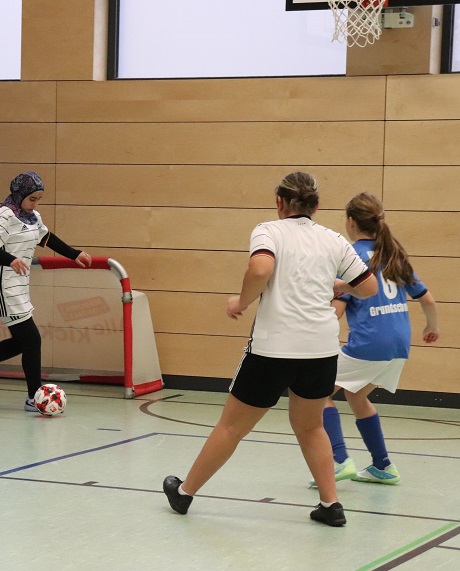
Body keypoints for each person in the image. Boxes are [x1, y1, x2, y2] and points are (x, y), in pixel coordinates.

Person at [161, 172, 378, 527]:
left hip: (273, 349)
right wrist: (340, 285)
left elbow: (261, 268)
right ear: (317, 206)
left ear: (279, 202)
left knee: (231, 427)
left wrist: (241, 301)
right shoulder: (334, 239)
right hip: (321, 350)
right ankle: (330, 504)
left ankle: (184, 493)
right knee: (311, 428)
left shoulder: (268, 231)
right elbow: (367, 287)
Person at [316, 192, 439, 487]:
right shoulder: (393, 254)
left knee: (317, 395)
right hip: (399, 345)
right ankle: (383, 466)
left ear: (350, 221)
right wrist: (430, 328)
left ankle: (340, 460)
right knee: (356, 395)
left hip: (370, 343)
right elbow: (428, 300)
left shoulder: (350, 257)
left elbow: (338, 310)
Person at [0, 172, 92, 411]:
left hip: (19, 284)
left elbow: (47, 238)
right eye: (32, 199)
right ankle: (34, 398)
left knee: (23, 342)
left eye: (39, 199)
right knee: (32, 339)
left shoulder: (33, 217)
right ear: (19, 195)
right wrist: (10, 260)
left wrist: (74, 253)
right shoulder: (4, 215)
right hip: (3, 284)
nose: (35, 204)